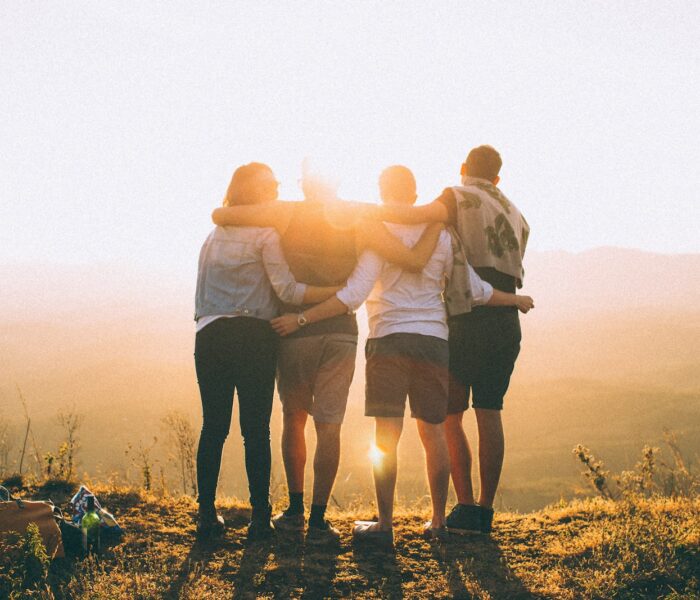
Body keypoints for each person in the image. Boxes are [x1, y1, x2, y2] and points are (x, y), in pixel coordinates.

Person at [271, 165, 533, 544]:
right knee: (434, 434)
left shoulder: (377, 232)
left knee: (386, 437)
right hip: (433, 342)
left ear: (381, 191)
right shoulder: (442, 235)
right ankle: (439, 521)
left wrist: (302, 318)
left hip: (388, 339)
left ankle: (385, 525)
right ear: (414, 195)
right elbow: (474, 290)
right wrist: (515, 299)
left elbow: (354, 295)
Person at [211, 164, 443, 542]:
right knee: (329, 425)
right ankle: (319, 521)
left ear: (304, 185)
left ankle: (295, 510)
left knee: (294, 419)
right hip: (341, 331)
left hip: (294, 331)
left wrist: (222, 212)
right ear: (337, 181)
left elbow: (223, 214)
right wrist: (437, 217)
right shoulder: (359, 213)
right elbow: (406, 231)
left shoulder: (286, 211)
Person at [373, 146, 530, 535]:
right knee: (490, 411)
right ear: (498, 177)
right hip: (505, 319)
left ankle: (463, 505)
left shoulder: (455, 196)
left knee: (450, 416)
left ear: (463, 169)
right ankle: (485, 511)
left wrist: (362, 214)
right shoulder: (515, 213)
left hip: (465, 317)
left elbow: (413, 216)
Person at [194, 162, 340, 541]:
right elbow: (288, 292)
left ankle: (206, 516)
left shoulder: (213, 236)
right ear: (253, 192)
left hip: (210, 334)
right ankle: (260, 519)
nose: (276, 189)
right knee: (255, 430)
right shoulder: (265, 234)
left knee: (213, 427)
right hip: (254, 337)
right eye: (269, 184)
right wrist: (336, 293)